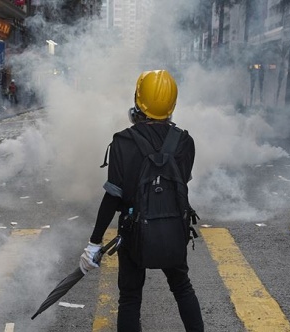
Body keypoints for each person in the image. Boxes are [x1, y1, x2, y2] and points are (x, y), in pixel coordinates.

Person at [78, 70, 204, 331]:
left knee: (130, 298)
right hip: (173, 232)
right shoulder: (185, 141)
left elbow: (113, 197)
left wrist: (94, 242)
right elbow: (180, 185)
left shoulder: (123, 141)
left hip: (134, 234)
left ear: (138, 100)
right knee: (182, 288)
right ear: (172, 104)